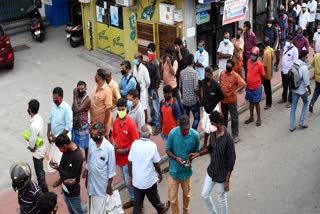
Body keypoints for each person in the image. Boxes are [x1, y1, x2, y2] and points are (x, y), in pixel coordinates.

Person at [189, 111, 236, 214]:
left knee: (221, 197)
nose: (211, 125)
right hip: (211, 171)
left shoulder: (228, 139)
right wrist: (199, 154)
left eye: (213, 123)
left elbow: (231, 161)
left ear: (219, 123)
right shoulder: (213, 133)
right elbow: (210, 148)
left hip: (222, 175)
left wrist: (227, 180)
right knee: (204, 194)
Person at [128, 124, 170, 214]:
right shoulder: (152, 146)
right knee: (154, 197)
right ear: (150, 135)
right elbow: (156, 164)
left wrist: (131, 177)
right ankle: (161, 209)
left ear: (140, 133)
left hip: (137, 181)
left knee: (138, 204)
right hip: (148, 181)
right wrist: (160, 175)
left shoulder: (135, 144)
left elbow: (130, 162)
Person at [166, 115, 200, 214]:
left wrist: (190, 159)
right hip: (174, 172)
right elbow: (168, 150)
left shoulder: (195, 135)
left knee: (187, 195)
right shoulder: (172, 134)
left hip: (186, 172)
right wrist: (176, 158)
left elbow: (196, 151)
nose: (185, 131)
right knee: (172, 199)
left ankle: (186, 211)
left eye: (187, 129)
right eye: (183, 129)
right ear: (179, 126)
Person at [111, 98, 139, 209]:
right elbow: (113, 135)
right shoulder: (116, 122)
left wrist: (125, 150)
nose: (121, 111)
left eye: (122, 109)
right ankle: (133, 199)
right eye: (119, 109)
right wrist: (113, 141)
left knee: (130, 182)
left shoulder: (131, 124)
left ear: (126, 109)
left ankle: (138, 202)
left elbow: (135, 142)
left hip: (128, 159)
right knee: (125, 181)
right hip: (119, 158)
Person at [86, 122, 116, 214]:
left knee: (101, 210)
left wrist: (109, 185)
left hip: (102, 186)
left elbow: (111, 170)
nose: (93, 136)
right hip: (91, 183)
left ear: (102, 134)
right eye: (92, 134)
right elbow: (89, 160)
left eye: (96, 135)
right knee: (91, 208)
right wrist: (87, 177)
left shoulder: (109, 149)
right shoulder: (91, 142)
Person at [51, 133, 83, 214]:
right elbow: (63, 165)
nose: (60, 150)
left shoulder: (77, 157)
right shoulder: (67, 150)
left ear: (65, 145)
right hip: (65, 189)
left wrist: (58, 168)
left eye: (60, 148)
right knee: (70, 209)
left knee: (77, 211)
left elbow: (72, 176)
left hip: (73, 192)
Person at [47, 87, 72, 182]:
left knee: (62, 161)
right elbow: (49, 119)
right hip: (54, 138)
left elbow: (68, 127)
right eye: (53, 98)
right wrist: (48, 132)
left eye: (56, 98)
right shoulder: (53, 105)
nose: (54, 100)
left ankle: (64, 179)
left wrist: (57, 138)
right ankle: (62, 177)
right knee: (55, 161)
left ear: (61, 97)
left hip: (62, 139)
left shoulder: (67, 108)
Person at [219, 59, 246, 143]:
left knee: (234, 118)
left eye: (230, 65)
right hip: (223, 100)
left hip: (231, 101)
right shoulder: (222, 73)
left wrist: (236, 91)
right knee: (224, 118)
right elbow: (220, 83)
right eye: (227, 64)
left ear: (232, 67)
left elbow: (243, 84)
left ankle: (235, 135)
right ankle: (224, 134)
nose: (228, 66)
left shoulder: (235, 75)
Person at [26, 99, 48, 193]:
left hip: (37, 153)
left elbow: (32, 144)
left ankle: (46, 195)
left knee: (40, 177)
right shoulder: (39, 118)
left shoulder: (33, 126)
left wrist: (30, 146)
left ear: (30, 109)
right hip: (42, 149)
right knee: (41, 172)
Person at [200, 66, 224, 147]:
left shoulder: (216, 85)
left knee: (214, 127)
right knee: (207, 128)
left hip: (214, 109)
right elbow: (200, 91)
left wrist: (215, 103)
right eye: (205, 74)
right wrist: (201, 101)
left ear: (211, 74)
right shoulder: (203, 82)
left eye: (208, 75)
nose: (206, 76)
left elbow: (221, 96)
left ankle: (215, 142)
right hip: (206, 109)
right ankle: (205, 143)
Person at [290, 50, 312, 131]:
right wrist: (309, 89)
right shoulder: (304, 67)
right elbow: (306, 81)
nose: (307, 57)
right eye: (306, 56)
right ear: (303, 56)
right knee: (306, 102)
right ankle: (301, 122)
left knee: (293, 106)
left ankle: (292, 126)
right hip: (302, 90)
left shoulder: (295, 63)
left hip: (294, 89)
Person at [72, 81, 90, 174]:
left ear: (86, 89)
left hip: (83, 126)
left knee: (86, 148)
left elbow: (78, 109)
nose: (81, 90)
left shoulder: (87, 99)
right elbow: (73, 108)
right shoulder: (76, 97)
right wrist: (75, 98)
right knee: (77, 148)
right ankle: (78, 165)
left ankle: (87, 167)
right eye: (79, 89)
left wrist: (75, 97)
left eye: (83, 89)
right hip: (75, 126)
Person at [244, 47, 265, 127]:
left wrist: (259, 82)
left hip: (256, 87)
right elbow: (248, 71)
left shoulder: (260, 64)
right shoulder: (249, 61)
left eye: (254, 55)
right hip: (249, 86)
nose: (252, 56)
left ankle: (259, 118)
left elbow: (263, 75)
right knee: (251, 102)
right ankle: (251, 117)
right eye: (252, 54)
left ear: (257, 55)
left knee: (256, 103)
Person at [179, 54, 200, 130]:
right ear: (193, 62)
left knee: (186, 119)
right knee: (196, 118)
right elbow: (196, 88)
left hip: (185, 100)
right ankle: (193, 131)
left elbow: (180, 86)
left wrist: (182, 95)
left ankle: (187, 131)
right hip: (193, 100)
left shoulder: (182, 72)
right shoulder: (194, 73)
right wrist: (199, 97)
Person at [90, 69, 112, 138]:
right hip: (93, 120)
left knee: (102, 139)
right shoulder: (96, 85)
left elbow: (108, 109)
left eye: (97, 75)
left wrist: (104, 123)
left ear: (101, 78)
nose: (95, 77)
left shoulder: (107, 91)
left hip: (101, 123)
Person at [279, 34, 299, 108]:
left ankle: (290, 101)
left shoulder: (295, 50)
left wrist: (292, 71)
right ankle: (284, 98)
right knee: (284, 86)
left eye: (288, 40)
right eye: (286, 40)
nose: (286, 42)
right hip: (283, 70)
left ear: (291, 41)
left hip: (289, 71)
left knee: (291, 87)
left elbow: (295, 62)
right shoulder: (285, 47)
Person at [146, 42, 161, 135]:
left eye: (150, 50)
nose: (149, 52)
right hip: (149, 86)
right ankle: (154, 120)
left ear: (154, 51)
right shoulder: (148, 61)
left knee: (156, 107)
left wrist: (155, 90)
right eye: (148, 50)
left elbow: (158, 78)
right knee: (150, 105)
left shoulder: (156, 63)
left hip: (153, 88)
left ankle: (158, 125)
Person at [161, 47, 183, 112]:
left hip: (172, 86)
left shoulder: (174, 62)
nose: (167, 56)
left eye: (168, 55)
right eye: (166, 54)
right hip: (165, 86)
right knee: (168, 101)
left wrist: (169, 62)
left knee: (177, 102)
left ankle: (182, 114)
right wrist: (161, 62)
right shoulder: (164, 61)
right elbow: (161, 70)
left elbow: (173, 72)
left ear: (171, 55)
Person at [132, 52, 151, 123]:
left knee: (144, 108)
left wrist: (143, 87)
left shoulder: (144, 69)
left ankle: (145, 123)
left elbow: (148, 81)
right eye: (134, 58)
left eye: (136, 58)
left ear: (140, 59)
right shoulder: (134, 67)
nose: (135, 60)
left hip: (143, 90)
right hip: (136, 90)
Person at [105, 69, 121, 134]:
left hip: (114, 110)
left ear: (109, 77)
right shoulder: (105, 83)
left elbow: (119, 100)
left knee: (113, 129)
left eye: (105, 77)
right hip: (107, 109)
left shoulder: (114, 86)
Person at [262, 37, 274, 110]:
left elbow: (265, 66)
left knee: (267, 89)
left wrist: (263, 75)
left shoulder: (266, 52)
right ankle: (269, 102)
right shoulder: (271, 49)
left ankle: (268, 104)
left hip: (266, 74)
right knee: (268, 88)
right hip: (270, 72)